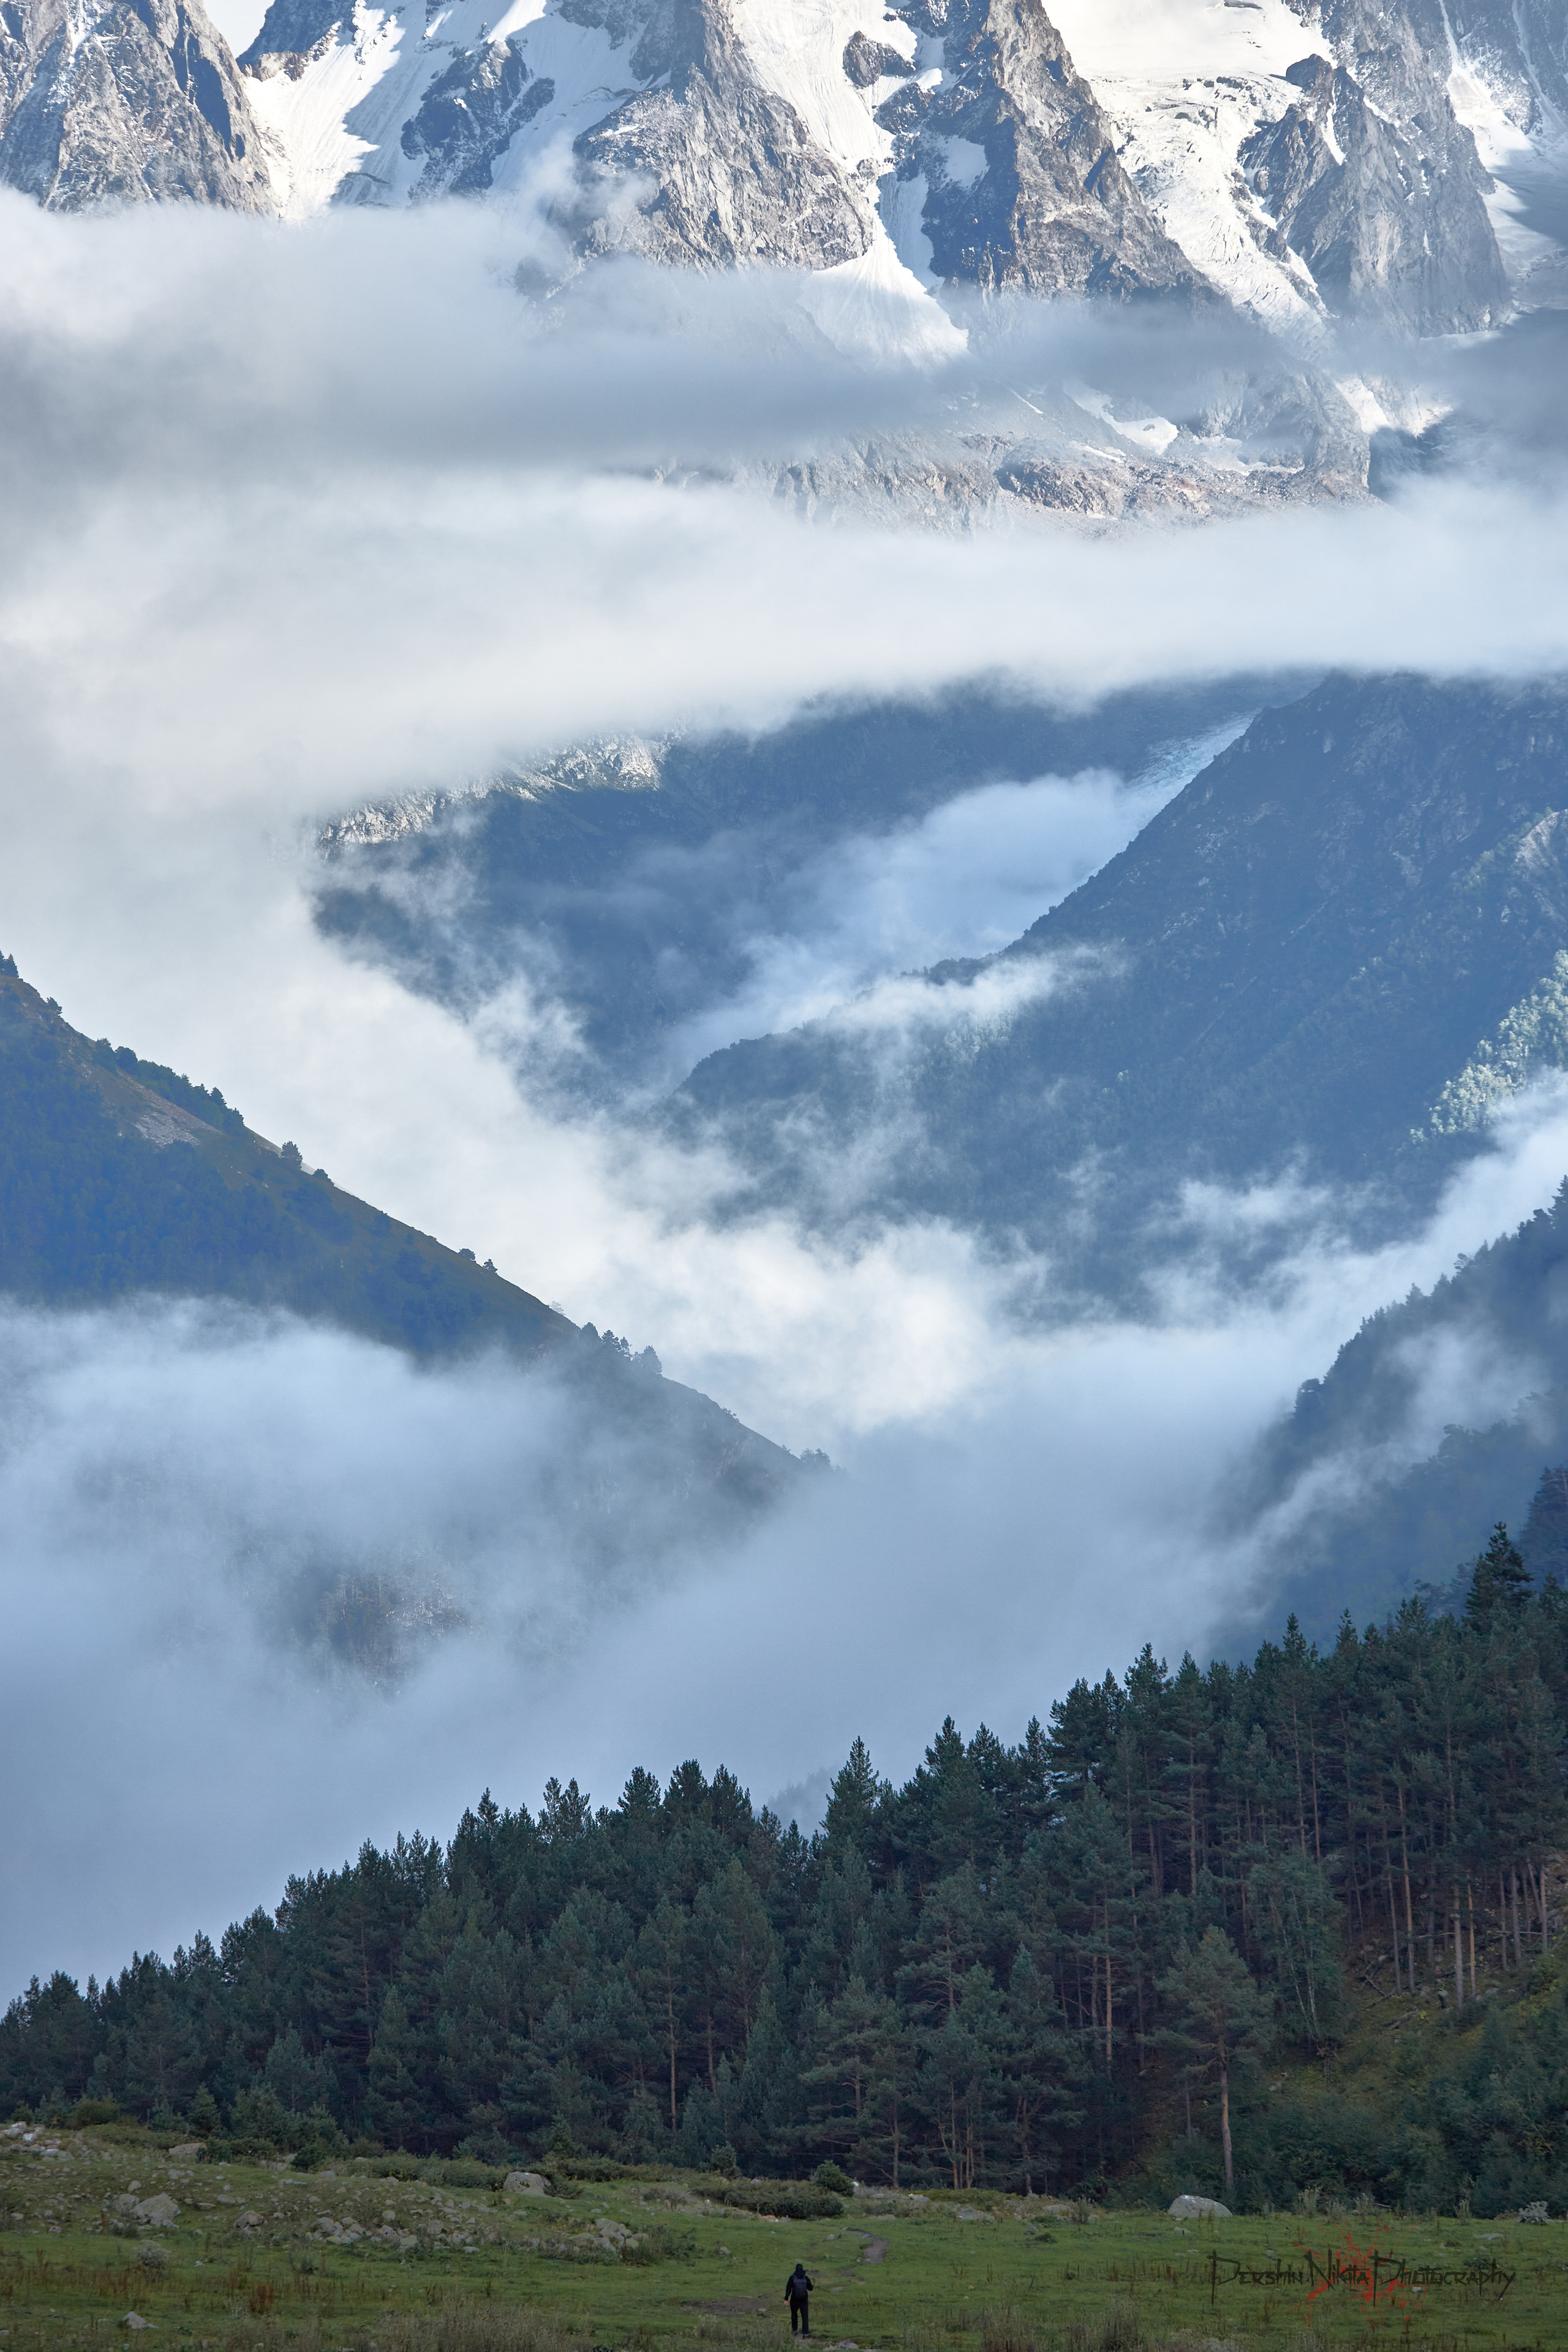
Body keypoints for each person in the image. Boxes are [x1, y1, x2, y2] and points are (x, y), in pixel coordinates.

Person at [785, 2260, 814, 2335]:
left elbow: (789, 2289)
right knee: (805, 2316)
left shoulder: (792, 2278)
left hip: (794, 2299)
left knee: (794, 2314)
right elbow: (811, 2288)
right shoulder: (806, 2278)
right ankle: (805, 2333)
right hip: (804, 2299)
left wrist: (786, 2299)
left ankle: (795, 2330)